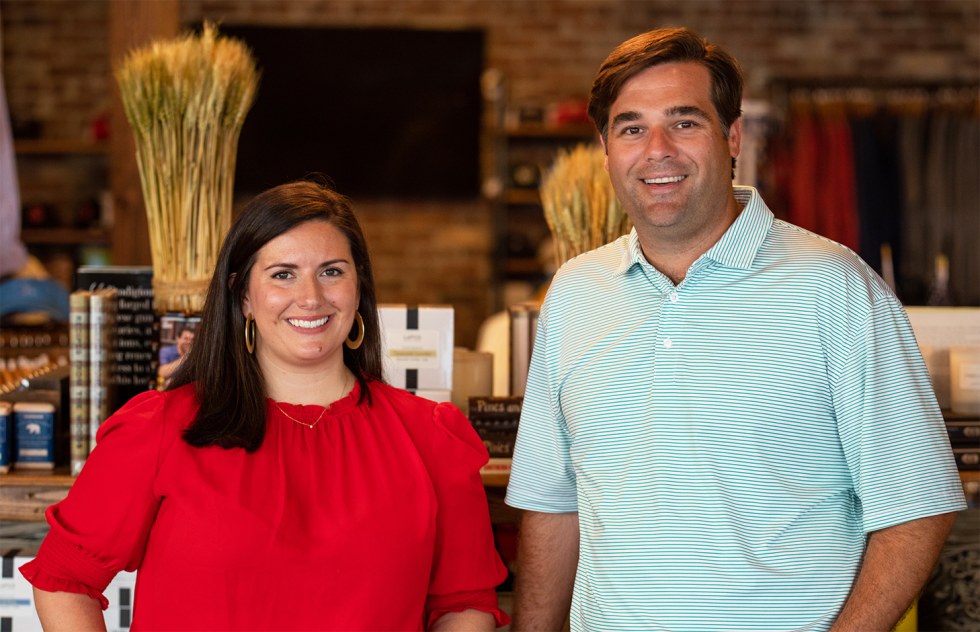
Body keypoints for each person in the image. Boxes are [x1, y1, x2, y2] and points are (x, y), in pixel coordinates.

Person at [505, 27, 964, 632]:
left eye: (685, 122)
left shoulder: (834, 288)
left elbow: (918, 506)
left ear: (733, 138)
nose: (657, 149)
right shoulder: (574, 293)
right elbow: (553, 505)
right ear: (606, 147)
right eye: (632, 127)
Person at [22, 180, 509, 631]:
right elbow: (64, 581)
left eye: (331, 272)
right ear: (244, 296)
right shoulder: (162, 428)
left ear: (358, 287)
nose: (310, 297)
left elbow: (462, 605)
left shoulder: (430, 436)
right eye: (283, 274)